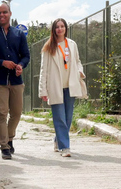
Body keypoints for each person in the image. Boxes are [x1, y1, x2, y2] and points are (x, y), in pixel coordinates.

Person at [0, 1, 30, 160]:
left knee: (16, 113)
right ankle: (4, 147)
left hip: (16, 80)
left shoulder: (19, 34)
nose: (1, 15)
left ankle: (9, 138)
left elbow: (26, 56)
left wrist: (21, 65)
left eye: (4, 12)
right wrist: (2, 63)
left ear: (10, 13)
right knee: (1, 113)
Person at [38, 18, 85, 157]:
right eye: (57, 27)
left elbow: (77, 61)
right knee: (59, 117)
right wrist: (43, 90)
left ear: (65, 28)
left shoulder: (72, 44)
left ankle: (58, 140)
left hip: (71, 85)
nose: (60, 29)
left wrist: (80, 71)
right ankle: (65, 148)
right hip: (55, 87)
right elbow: (43, 70)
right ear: (54, 29)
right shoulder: (48, 47)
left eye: (62, 26)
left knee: (68, 117)